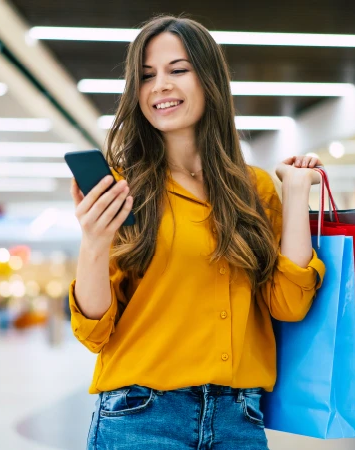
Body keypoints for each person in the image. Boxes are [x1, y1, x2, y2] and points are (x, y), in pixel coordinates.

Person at [69, 14, 326, 450]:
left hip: (238, 420)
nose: (160, 86)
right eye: (146, 76)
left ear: (208, 79)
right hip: (141, 420)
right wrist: (93, 242)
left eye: (178, 70)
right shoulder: (121, 187)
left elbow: (288, 304)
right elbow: (94, 332)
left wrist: (297, 193)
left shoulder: (255, 188)